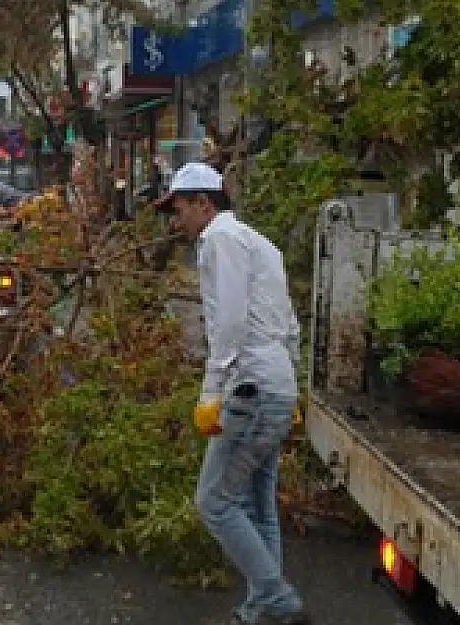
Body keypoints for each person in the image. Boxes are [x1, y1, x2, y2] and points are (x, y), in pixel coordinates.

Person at [156, 162, 307, 625]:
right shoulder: (263, 245)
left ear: (204, 203)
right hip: (274, 383)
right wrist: (291, 387)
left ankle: (276, 598)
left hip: (251, 385)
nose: (174, 221)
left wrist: (210, 393)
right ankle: (265, 606)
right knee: (257, 501)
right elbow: (289, 325)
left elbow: (229, 325)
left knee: (215, 502)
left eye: (178, 209)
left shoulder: (218, 239)